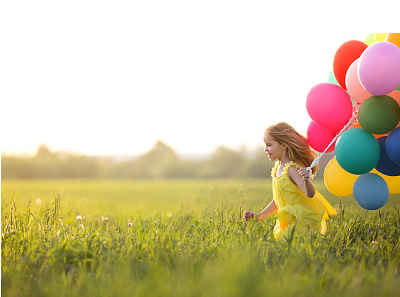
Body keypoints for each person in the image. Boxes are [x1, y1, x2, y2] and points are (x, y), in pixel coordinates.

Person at [243, 122, 337, 240]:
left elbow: (310, 194)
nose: (265, 149)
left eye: (269, 145)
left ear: (283, 145)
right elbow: (277, 201)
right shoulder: (277, 168)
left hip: (300, 220)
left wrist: (306, 180)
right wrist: (259, 216)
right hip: (287, 220)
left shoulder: (292, 169)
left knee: (299, 248)